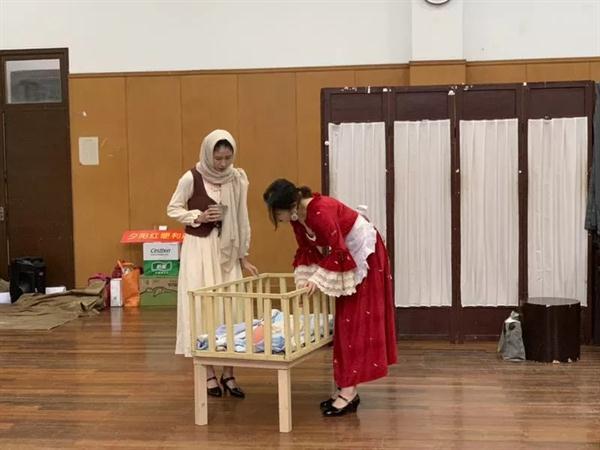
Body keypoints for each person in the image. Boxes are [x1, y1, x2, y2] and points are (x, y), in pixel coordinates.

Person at [263, 179, 397, 416]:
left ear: (290, 206)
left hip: (364, 254)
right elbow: (307, 250)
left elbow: (338, 251)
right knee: (344, 323)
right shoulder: (297, 218)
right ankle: (346, 387)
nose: (277, 218)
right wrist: (307, 280)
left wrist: (318, 279)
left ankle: (349, 391)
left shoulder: (319, 211)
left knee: (353, 321)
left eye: (277, 212)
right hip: (346, 254)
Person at [167, 129, 258, 398]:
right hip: (199, 249)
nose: (222, 163)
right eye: (218, 158)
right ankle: (208, 373)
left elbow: (242, 218)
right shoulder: (191, 177)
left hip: (226, 250)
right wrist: (199, 216)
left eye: (228, 158)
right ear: (208, 154)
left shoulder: (237, 178)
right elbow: (173, 208)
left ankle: (229, 373)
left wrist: (243, 256)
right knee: (204, 308)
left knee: (231, 308)